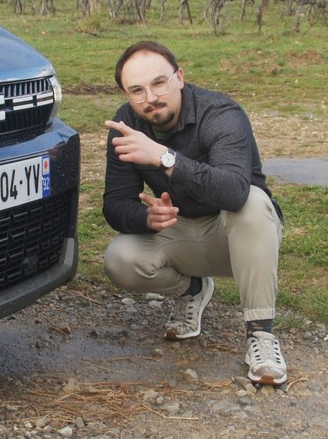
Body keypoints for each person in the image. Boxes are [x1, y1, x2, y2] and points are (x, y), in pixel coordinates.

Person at [101, 40, 288, 385]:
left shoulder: (221, 113)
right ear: (126, 94)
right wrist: (146, 218)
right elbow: (114, 204)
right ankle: (192, 291)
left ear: (180, 78)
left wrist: (163, 157)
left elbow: (234, 191)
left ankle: (261, 336)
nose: (150, 98)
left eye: (159, 83)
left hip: (238, 236)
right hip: (182, 231)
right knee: (119, 258)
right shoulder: (127, 123)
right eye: (137, 90)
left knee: (252, 202)